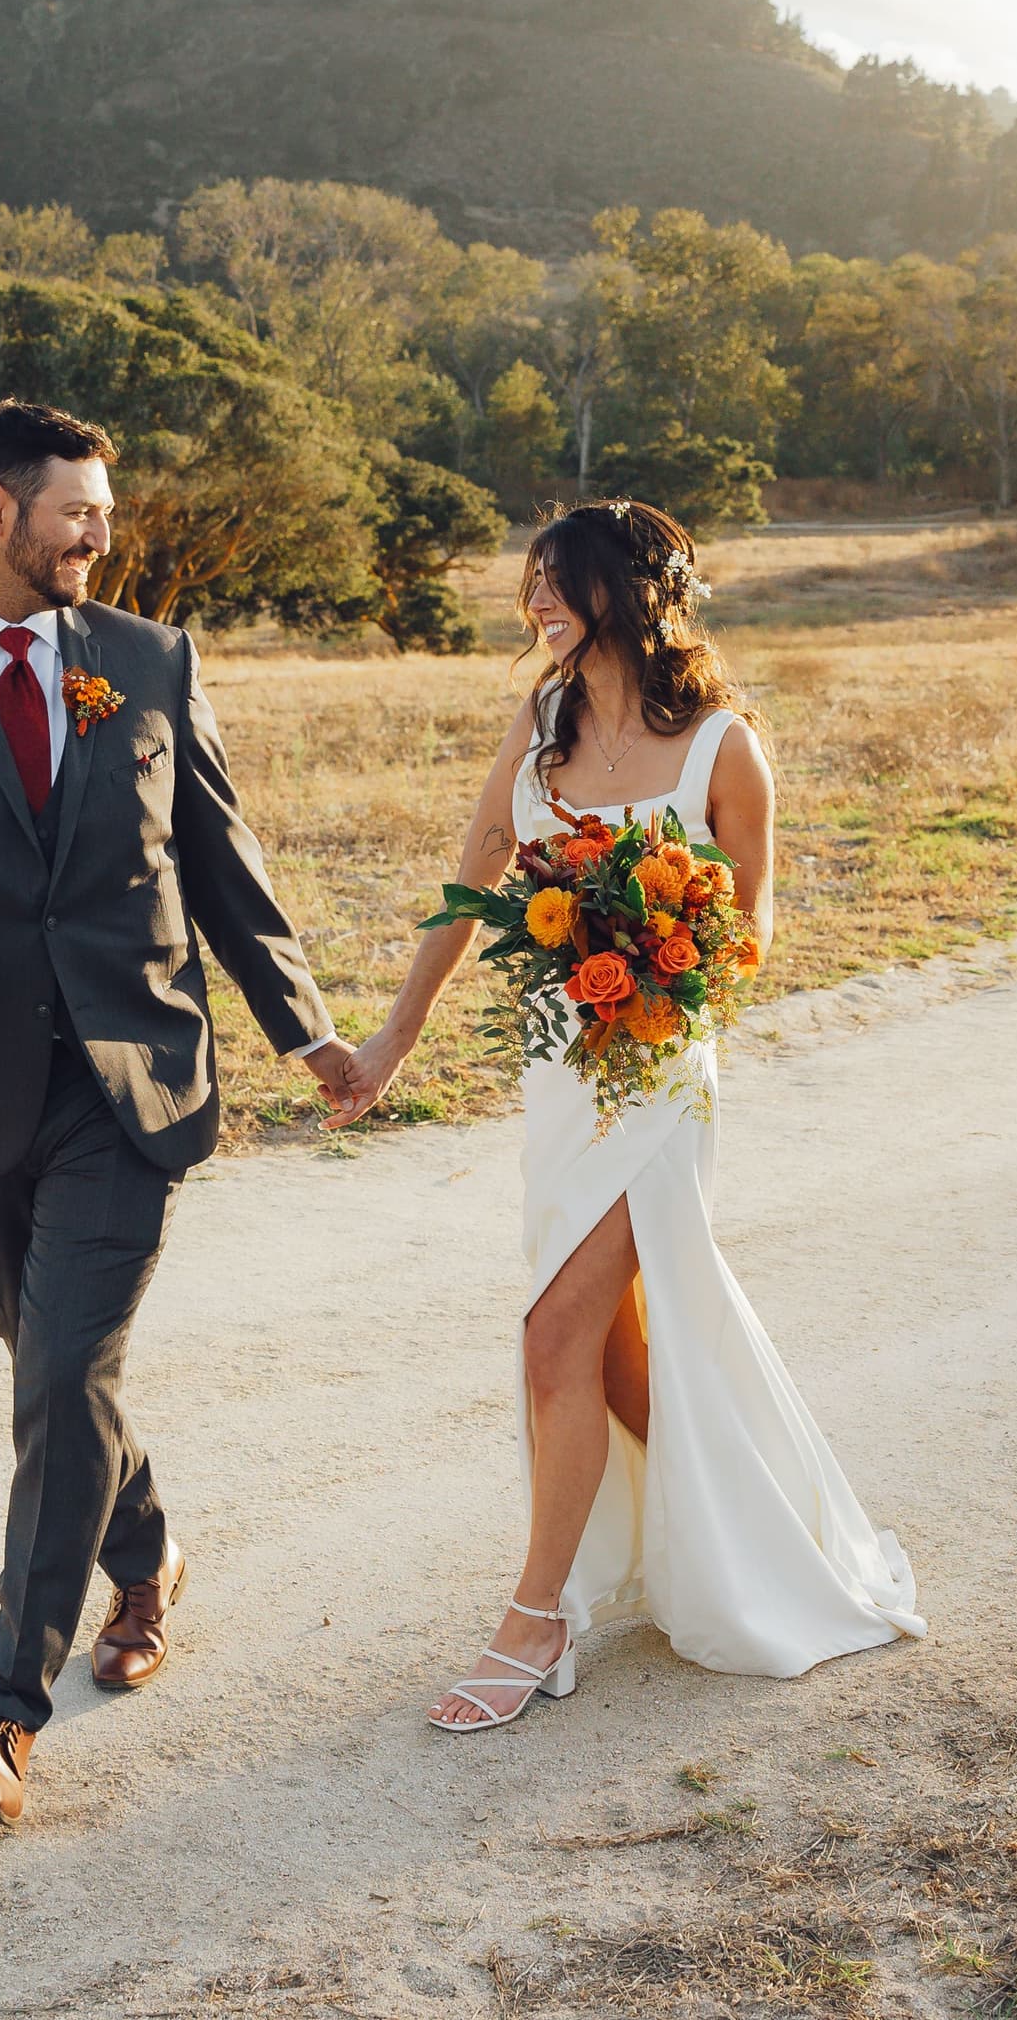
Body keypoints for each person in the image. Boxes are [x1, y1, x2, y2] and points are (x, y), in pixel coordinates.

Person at [0, 399, 365, 1828]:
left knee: (57, 1378)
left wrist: (310, 1027)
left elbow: (219, 859)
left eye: (105, 512)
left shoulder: (150, 659)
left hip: (132, 1082)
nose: (103, 534)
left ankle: (3, 1713)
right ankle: (146, 1556)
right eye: (77, 512)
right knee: (55, 1368)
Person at [325, 498, 923, 1728]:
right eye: (530, 587)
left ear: (628, 591)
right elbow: (476, 870)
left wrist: (659, 951)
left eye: (557, 583)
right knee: (617, 1354)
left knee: (553, 1337)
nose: (535, 605)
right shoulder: (541, 721)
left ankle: (535, 1619)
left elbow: (749, 931)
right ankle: (762, 1540)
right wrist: (395, 1034)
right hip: (557, 1075)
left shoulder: (722, 747)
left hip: (656, 1079)